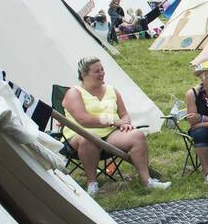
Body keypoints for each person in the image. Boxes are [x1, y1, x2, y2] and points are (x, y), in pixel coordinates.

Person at [62, 57, 170, 195]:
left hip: (109, 134)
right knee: (89, 139)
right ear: (84, 75)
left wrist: (125, 123)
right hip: (80, 134)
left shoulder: (112, 90)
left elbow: (124, 115)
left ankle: (147, 180)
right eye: (97, 71)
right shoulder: (74, 93)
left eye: (102, 70)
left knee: (137, 135)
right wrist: (114, 121)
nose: (102, 73)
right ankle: (92, 184)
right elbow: (83, 119)